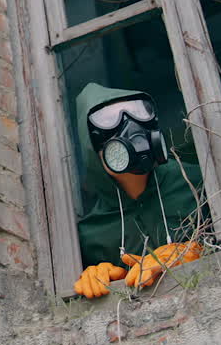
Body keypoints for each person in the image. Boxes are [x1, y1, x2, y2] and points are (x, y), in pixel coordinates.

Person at [72, 83, 204, 296]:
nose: (133, 132)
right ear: (92, 150)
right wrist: (113, 277)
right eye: (108, 119)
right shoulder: (91, 235)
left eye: (138, 114)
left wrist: (197, 251)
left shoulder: (195, 182)